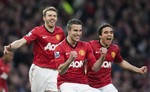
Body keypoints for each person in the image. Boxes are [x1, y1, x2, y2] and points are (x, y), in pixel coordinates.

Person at [3, 6, 65, 92]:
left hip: (54, 71)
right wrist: (10, 46)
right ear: (44, 18)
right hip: (39, 70)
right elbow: (22, 41)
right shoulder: (37, 31)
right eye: (50, 15)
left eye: (54, 16)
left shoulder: (60, 32)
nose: (52, 18)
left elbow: (65, 47)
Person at [86, 23, 147, 92]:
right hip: (90, 85)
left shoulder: (114, 48)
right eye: (106, 32)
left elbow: (121, 62)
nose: (109, 34)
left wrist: (138, 70)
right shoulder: (91, 45)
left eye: (111, 32)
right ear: (100, 36)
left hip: (106, 84)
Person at [54, 18, 107, 92]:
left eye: (80, 30)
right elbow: (60, 70)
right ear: (69, 31)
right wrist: (70, 60)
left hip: (82, 84)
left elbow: (95, 68)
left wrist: (102, 57)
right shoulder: (59, 48)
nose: (78, 33)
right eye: (75, 30)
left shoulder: (86, 46)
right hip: (65, 83)